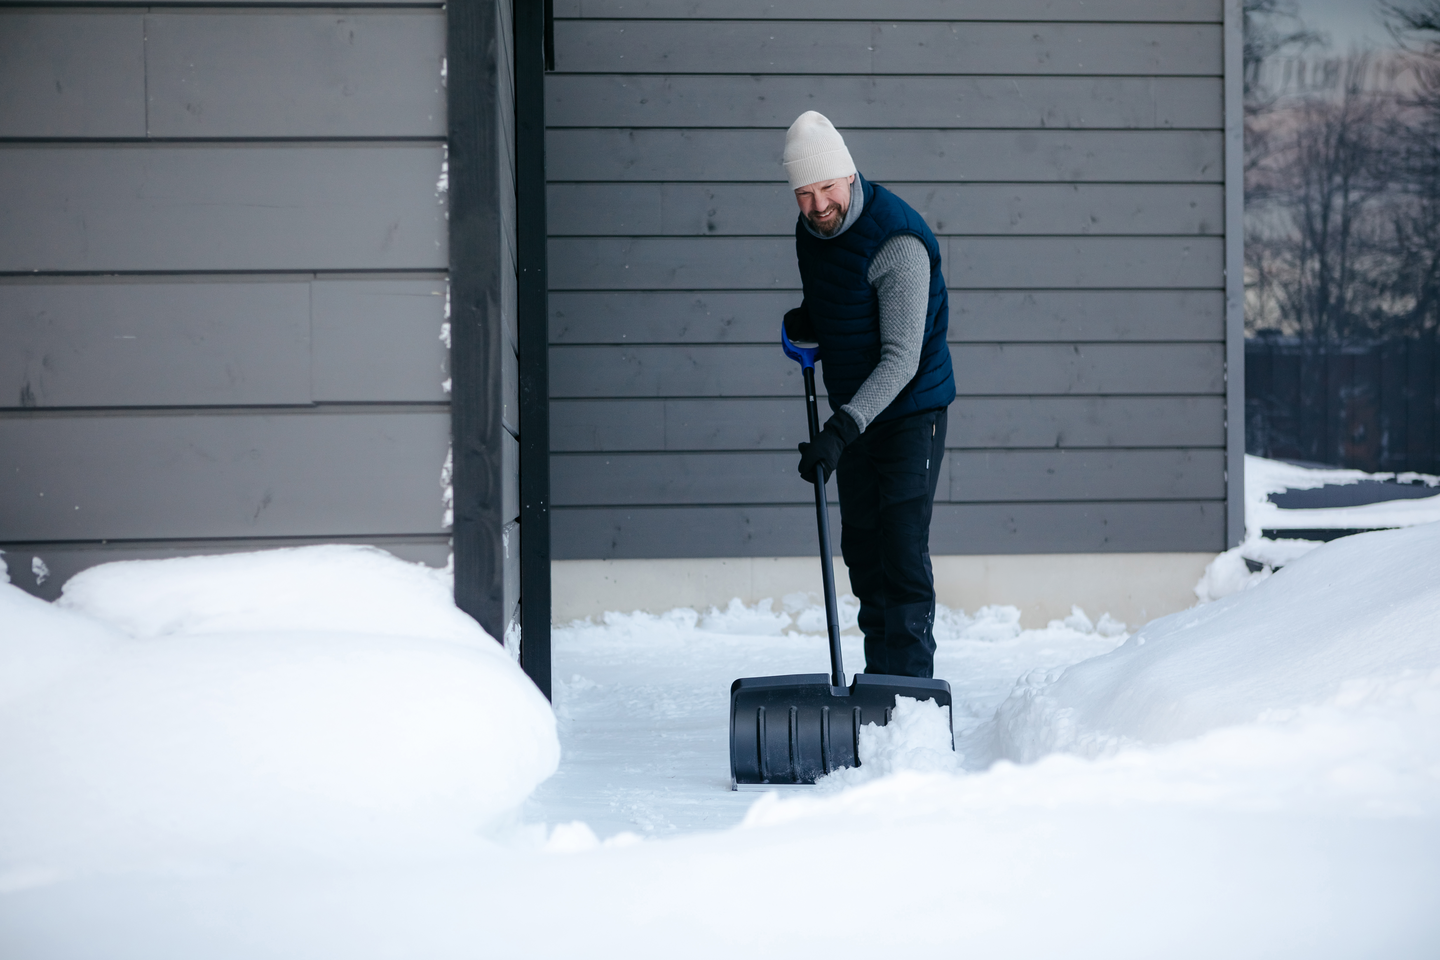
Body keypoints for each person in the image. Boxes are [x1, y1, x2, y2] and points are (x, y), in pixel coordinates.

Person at [781, 111, 955, 679]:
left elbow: (901, 358)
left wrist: (838, 431)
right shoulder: (811, 232)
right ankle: (879, 685)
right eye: (804, 193)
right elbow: (845, 298)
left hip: (909, 413)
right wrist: (814, 317)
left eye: (827, 187)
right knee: (863, 551)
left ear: (850, 176)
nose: (818, 206)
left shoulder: (896, 240)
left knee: (900, 553)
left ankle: (911, 697)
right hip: (856, 413)